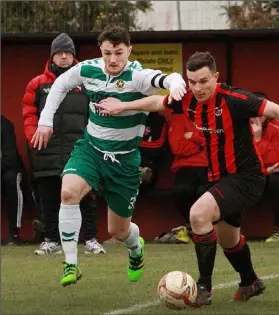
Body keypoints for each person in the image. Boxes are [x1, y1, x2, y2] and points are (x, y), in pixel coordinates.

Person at [95, 51, 279, 306]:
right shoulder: (186, 98)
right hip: (219, 177)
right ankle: (250, 281)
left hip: (247, 177)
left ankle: (203, 288)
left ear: (215, 77)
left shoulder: (235, 99)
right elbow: (156, 103)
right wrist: (122, 106)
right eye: (192, 81)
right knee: (228, 239)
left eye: (203, 81)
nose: (197, 88)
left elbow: (278, 111)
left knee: (198, 215)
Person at [31, 25, 186, 287]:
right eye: (107, 53)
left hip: (124, 160)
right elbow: (59, 85)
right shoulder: (88, 69)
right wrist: (45, 122)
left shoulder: (138, 76)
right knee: (68, 193)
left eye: (118, 53)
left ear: (129, 51)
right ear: (100, 51)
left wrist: (178, 83)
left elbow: (166, 79)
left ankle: (136, 249)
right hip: (91, 149)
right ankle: (71, 263)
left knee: (119, 230)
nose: (113, 59)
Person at [23, 32, 105, 256]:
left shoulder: (86, 82)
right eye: (59, 53)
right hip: (46, 150)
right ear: (52, 56)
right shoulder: (37, 84)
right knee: (49, 198)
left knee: (86, 196)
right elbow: (29, 113)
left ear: (74, 56)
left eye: (67, 53)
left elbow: (97, 113)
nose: (63, 57)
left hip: (80, 150)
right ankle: (51, 241)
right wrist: (33, 137)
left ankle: (90, 239)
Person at [251, 92, 279, 243]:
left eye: (262, 109)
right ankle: (231, 231)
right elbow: (242, 159)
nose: (259, 114)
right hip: (253, 172)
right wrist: (264, 171)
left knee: (276, 181)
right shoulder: (240, 126)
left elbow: (277, 160)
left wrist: (258, 140)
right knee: (232, 181)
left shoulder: (277, 126)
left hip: (274, 172)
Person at [168, 113, 208, 243]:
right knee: (181, 190)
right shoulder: (179, 118)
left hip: (210, 164)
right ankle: (191, 226)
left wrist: (192, 136)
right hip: (185, 165)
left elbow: (215, 140)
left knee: (205, 194)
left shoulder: (213, 115)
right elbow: (177, 147)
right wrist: (200, 145)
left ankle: (205, 228)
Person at [1, 115, 25, 245]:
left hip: (9, 170)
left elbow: (10, 160)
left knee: (11, 179)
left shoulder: (4, 125)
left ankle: (13, 233)